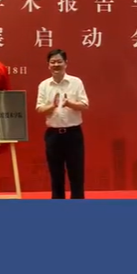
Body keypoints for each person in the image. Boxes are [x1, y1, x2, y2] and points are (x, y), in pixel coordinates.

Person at [36, 48, 89, 199]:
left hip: (73, 134)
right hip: (53, 136)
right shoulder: (44, 85)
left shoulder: (76, 82)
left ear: (66, 63)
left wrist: (69, 103)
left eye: (59, 61)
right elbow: (39, 109)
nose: (56, 65)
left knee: (76, 174)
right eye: (53, 62)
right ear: (48, 65)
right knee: (56, 175)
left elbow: (85, 105)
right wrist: (52, 105)